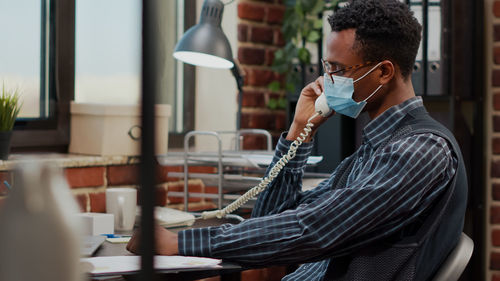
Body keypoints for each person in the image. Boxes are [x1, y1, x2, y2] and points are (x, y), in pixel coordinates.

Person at [127, 1, 468, 280]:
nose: (327, 79)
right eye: (327, 66)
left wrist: (180, 242)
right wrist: (299, 133)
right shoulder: (375, 149)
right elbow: (272, 218)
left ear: (383, 72)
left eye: (339, 69)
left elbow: (312, 230)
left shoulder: (420, 151)